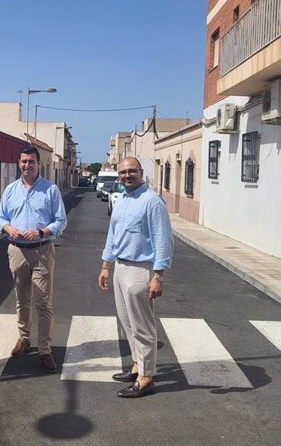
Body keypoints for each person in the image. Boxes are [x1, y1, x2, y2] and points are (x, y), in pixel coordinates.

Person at [99, 156, 173, 398]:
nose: (127, 175)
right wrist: (105, 266)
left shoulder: (152, 202)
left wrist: (158, 276)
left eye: (132, 171)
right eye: (123, 172)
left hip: (140, 269)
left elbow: (163, 240)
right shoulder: (121, 200)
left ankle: (147, 376)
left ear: (141, 173)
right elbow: (113, 234)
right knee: (127, 323)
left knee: (142, 325)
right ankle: (137, 365)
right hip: (120, 266)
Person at [0, 146, 67, 373]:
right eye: (24, 161)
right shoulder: (10, 190)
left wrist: (41, 232)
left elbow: (60, 221)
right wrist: (8, 228)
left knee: (43, 302)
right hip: (16, 251)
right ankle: (24, 339)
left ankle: (45, 350)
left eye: (32, 162)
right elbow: (0, 217)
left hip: (42, 251)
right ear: (19, 163)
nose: (27, 165)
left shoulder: (50, 190)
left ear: (39, 164)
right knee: (21, 299)